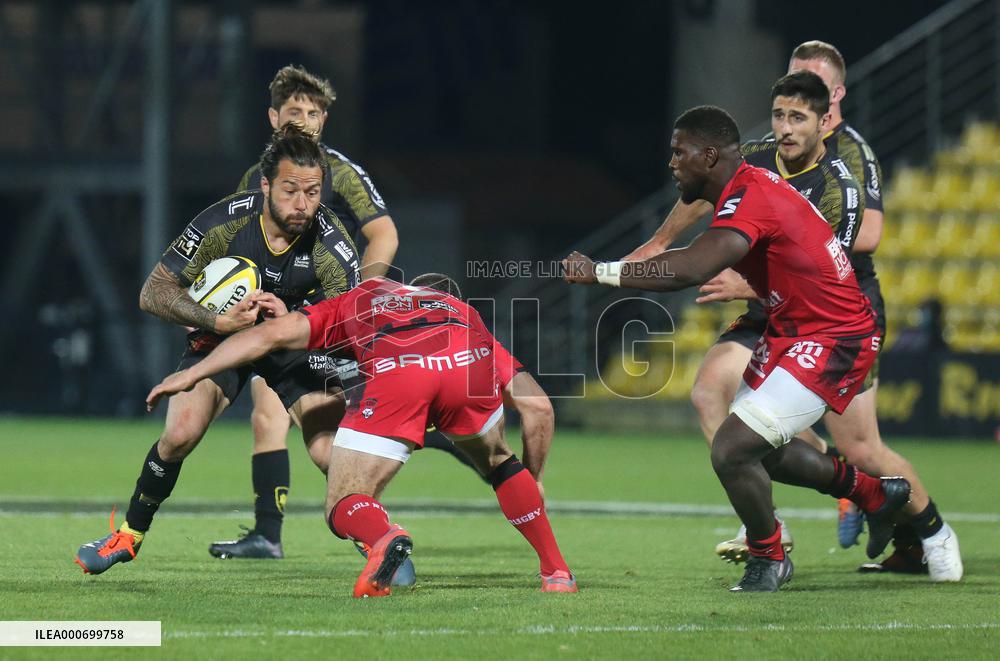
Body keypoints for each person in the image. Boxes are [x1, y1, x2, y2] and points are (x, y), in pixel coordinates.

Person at [624, 43, 962, 582]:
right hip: (774, 307)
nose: (788, 114)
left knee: (859, 446)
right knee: (712, 389)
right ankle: (761, 517)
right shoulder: (757, 151)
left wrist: (744, 277)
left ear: (831, 106)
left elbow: (851, 248)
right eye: (786, 95)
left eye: (807, 96)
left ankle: (932, 531)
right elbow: (703, 189)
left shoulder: (847, 165)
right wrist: (657, 243)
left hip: (835, 311)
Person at [564, 105, 910, 592]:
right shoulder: (745, 188)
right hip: (795, 329)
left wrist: (600, 272)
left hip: (834, 335)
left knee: (731, 449)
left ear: (708, 156)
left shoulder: (751, 196)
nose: (671, 163)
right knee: (762, 451)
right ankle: (874, 494)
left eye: (678, 152)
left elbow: (690, 268)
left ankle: (769, 557)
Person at [146, 273, 577, 597]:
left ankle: (384, 536)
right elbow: (539, 408)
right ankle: (556, 571)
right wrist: (534, 481)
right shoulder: (456, 306)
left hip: (401, 380)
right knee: (499, 461)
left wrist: (193, 374)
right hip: (466, 361)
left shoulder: (350, 304)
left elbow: (267, 337)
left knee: (343, 500)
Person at [217, 66, 482, 561]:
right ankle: (272, 534)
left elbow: (384, 233)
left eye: (313, 114)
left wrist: (354, 297)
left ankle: (380, 516)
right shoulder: (257, 177)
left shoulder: (340, 171)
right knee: (269, 417)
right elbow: (244, 245)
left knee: (331, 432)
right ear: (274, 117)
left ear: (324, 121)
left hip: (325, 318)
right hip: (279, 313)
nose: (304, 122)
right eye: (294, 112)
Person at [75, 125, 361, 576]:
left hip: (293, 341)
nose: (303, 204)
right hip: (223, 336)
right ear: (266, 185)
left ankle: (378, 539)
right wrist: (217, 320)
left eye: (312, 191)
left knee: (329, 449)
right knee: (179, 434)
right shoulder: (224, 223)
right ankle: (127, 536)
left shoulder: (330, 240)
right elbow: (154, 291)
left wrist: (295, 314)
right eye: (290, 191)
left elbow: (354, 319)